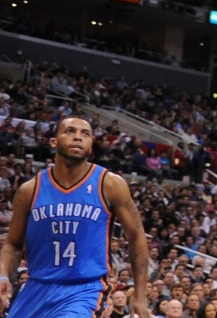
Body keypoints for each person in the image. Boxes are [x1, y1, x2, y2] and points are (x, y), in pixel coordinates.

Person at [0, 116, 152, 318]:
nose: (78, 138)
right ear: (53, 142)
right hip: (36, 287)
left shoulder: (110, 184)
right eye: (70, 131)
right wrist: (3, 275)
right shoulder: (29, 190)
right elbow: (13, 244)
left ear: (90, 147)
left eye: (85, 134)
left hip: (84, 290)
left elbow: (136, 236)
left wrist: (140, 296)